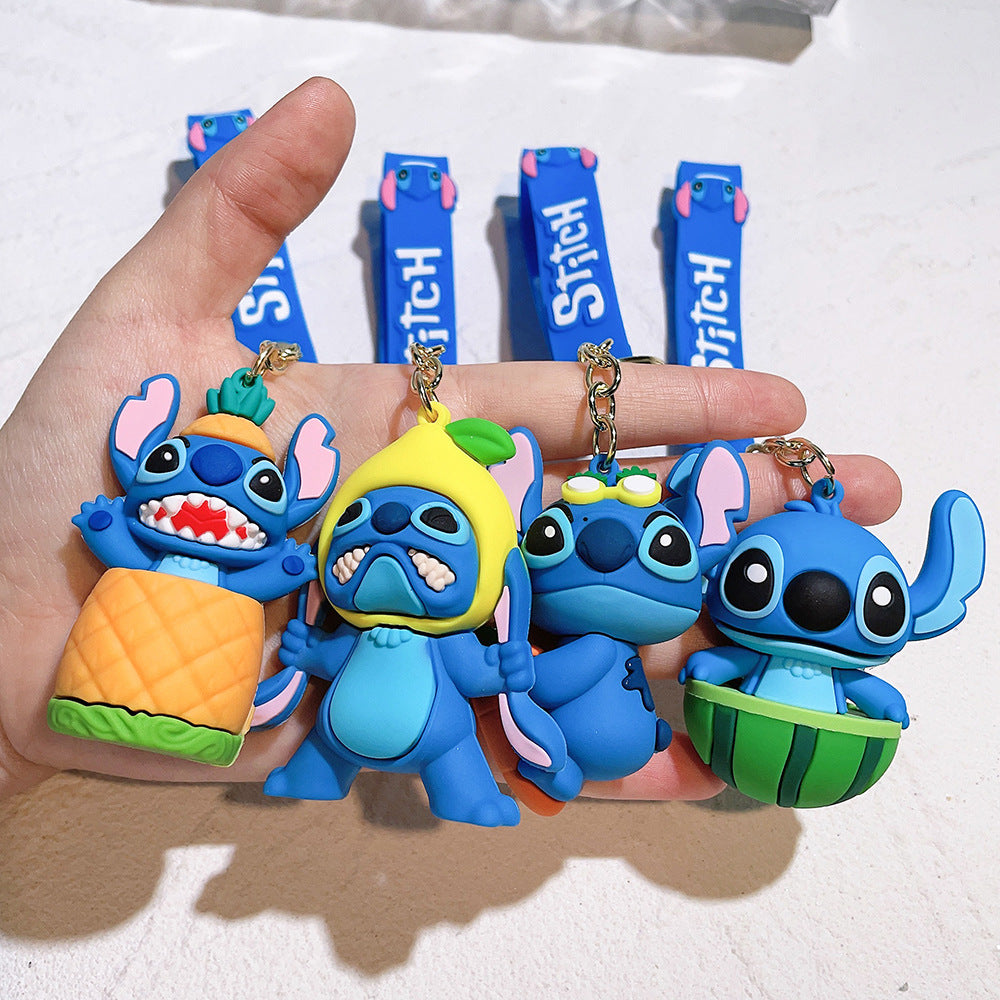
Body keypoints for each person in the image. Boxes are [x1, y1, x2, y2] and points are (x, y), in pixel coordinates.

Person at [0, 78, 901, 803]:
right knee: (367, 751)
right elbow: (275, 579)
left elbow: (503, 663)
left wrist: (512, 667)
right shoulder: (337, 581)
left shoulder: (504, 610)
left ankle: (436, 784)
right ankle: (333, 773)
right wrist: (300, 625)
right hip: (187, 666)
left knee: (451, 753)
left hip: (401, 696)